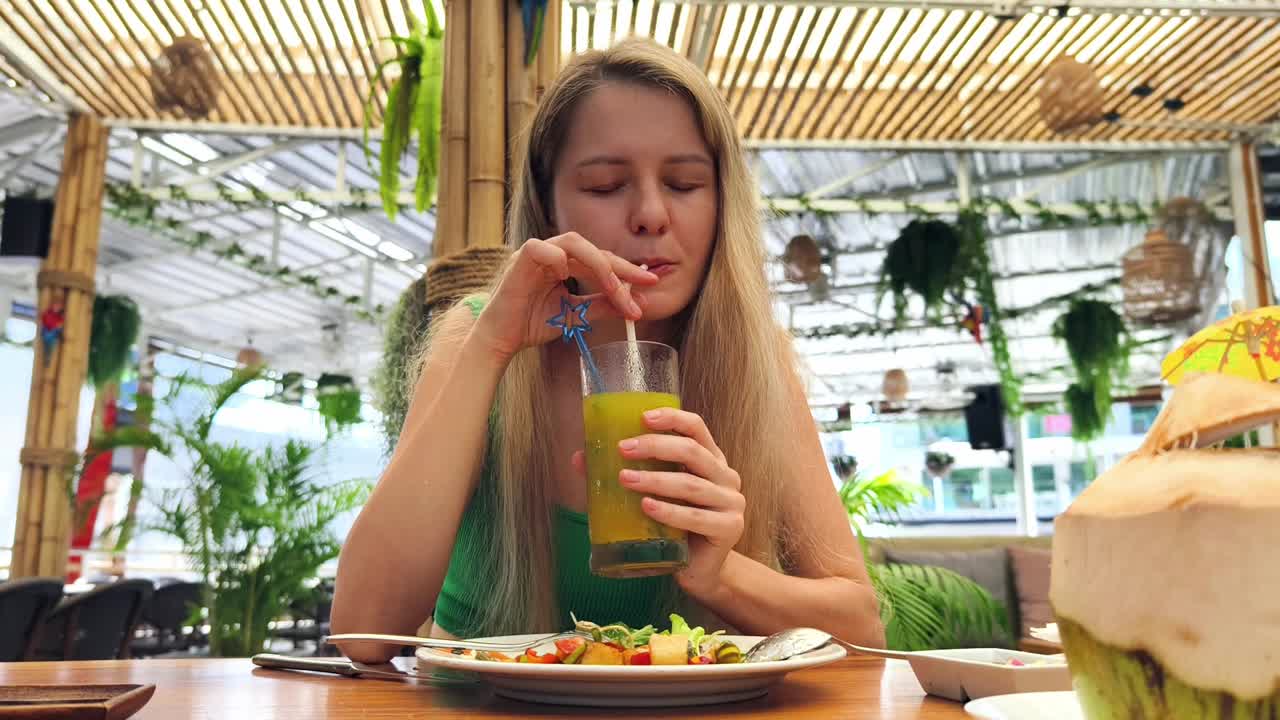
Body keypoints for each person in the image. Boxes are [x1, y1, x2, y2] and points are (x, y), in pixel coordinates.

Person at [332, 37, 884, 663]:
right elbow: (363, 631)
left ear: (722, 201)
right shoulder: (476, 338)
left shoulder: (755, 361)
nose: (650, 214)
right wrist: (492, 348)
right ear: (548, 205)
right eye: (603, 186)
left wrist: (721, 575)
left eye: (683, 183)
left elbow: (862, 629)